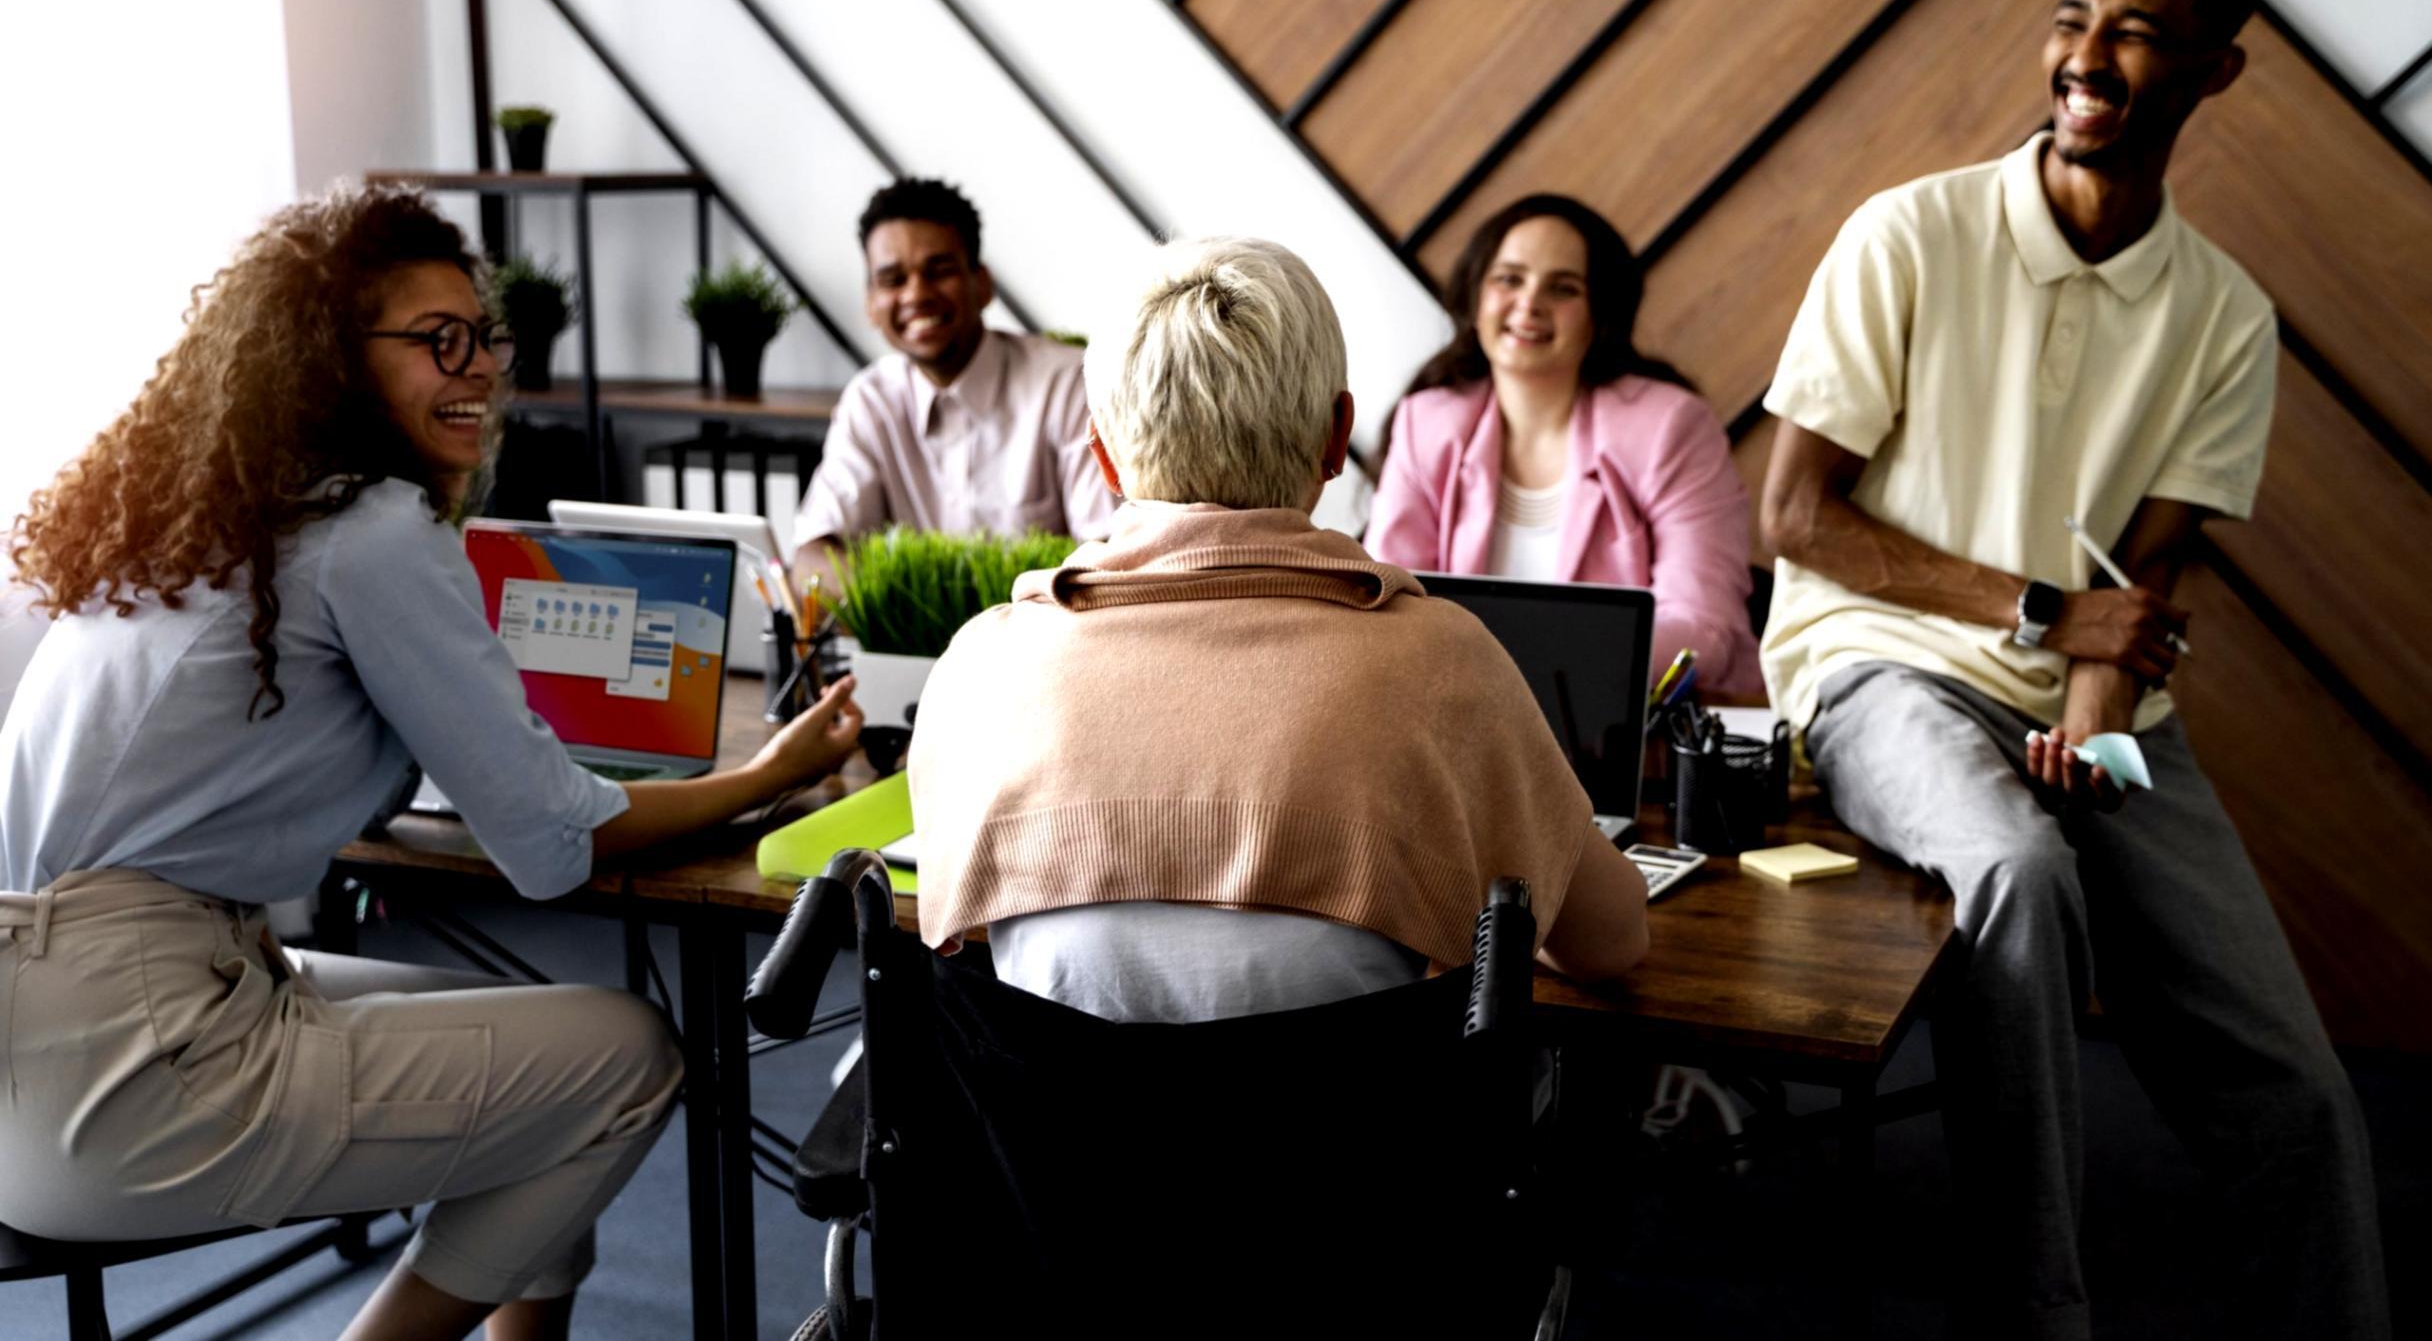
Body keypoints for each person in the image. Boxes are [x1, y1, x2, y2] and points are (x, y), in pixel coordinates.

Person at [0, 185, 865, 1341]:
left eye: (483, 338)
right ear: (328, 360)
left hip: (43, 1047)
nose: (476, 369)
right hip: (137, 1065)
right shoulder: (371, 533)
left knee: (533, 1048)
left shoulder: (195, 521)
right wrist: (771, 773)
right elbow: (555, 846)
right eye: (435, 339)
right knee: (623, 1056)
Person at [1758, 0, 2385, 1340]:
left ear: (2216, 72)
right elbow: (1795, 515)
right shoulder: (1909, 232)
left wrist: (2093, 713)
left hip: (2102, 707)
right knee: (2019, 874)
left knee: (2295, 1078)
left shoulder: (2226, 315)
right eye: (2073, 16)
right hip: (1882, 667)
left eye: (2139, 31)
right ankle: (2039, 1309)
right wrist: (2044, 617)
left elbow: (2150, 581)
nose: (2088, 56)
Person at [908, 236, 1649, 1024]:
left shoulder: (981, 669)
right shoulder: (1445, 663)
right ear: (1337, 437)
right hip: (1357, 1147)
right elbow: (1612, 943)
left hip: (1046, 1146)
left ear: (1105, 459)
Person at [1365, 194, 1761, 697]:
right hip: (1461, 722)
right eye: (1509, 279)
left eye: (1563, 288)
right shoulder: (1427, 421)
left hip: (1633, 734)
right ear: (1474, 297)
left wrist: (1551, 672)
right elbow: (1388, 603)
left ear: (1601, 315)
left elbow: (1706, 627)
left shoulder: (1669, 426)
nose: (1530, 303)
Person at [793, 177, 1117, 589]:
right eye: (893, 280)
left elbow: (1107, 556)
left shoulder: (1068, 385)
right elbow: (812, 560)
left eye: (939, 271)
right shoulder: (871, 400)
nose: (916, 295)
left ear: (982, 284)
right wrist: (912, 611)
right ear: (871, 303)